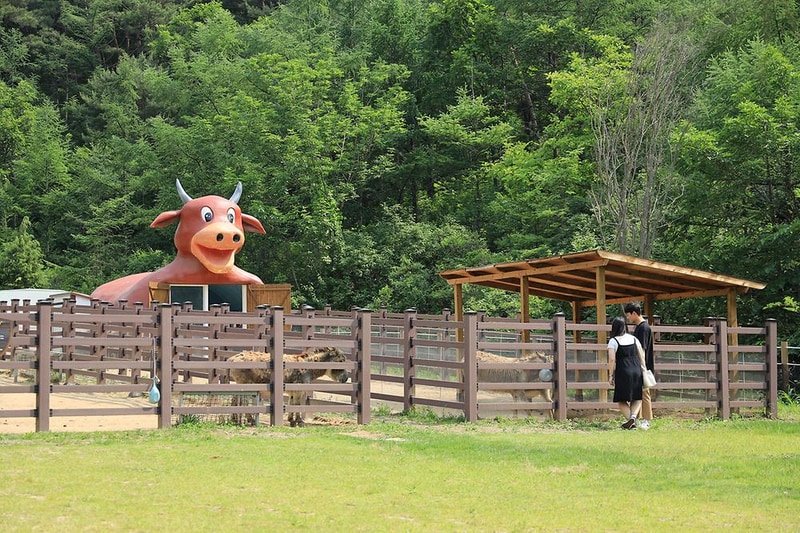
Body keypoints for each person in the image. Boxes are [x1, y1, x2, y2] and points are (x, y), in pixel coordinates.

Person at [607, 316, 646, 429]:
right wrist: (644, 369)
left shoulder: (613, 341)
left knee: (621, 399)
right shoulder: (633, 339)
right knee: (637, 397)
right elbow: (641, 355)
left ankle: (631, 420)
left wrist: (610, 375)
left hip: (623, 371)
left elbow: (612, 359)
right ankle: (633, 417)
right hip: (636, 370)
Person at [624, 302, 654, 430]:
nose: (628, 318)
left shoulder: (643, 328)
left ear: (634, 313)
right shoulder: (640, 327)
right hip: (639, 365)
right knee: (638, 393)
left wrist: (641, 365)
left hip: (642, 365)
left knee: (644, 393)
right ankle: (638, 418)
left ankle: (646, 420)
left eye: (628, 315)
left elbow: (641, 348)